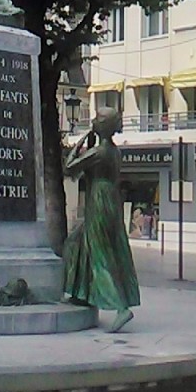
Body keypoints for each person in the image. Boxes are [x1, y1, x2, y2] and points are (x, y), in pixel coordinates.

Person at [63, 107, 141, 332]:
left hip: (98, 201)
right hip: (109, 200)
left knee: (100, 255)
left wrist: (80, 141)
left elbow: (69, 167)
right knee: (77, 243)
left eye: (97, 118)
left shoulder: (99, 151)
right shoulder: (114, 151)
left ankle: (120, 306)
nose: (93, 120)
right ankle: (81, 293)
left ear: (103, 126)